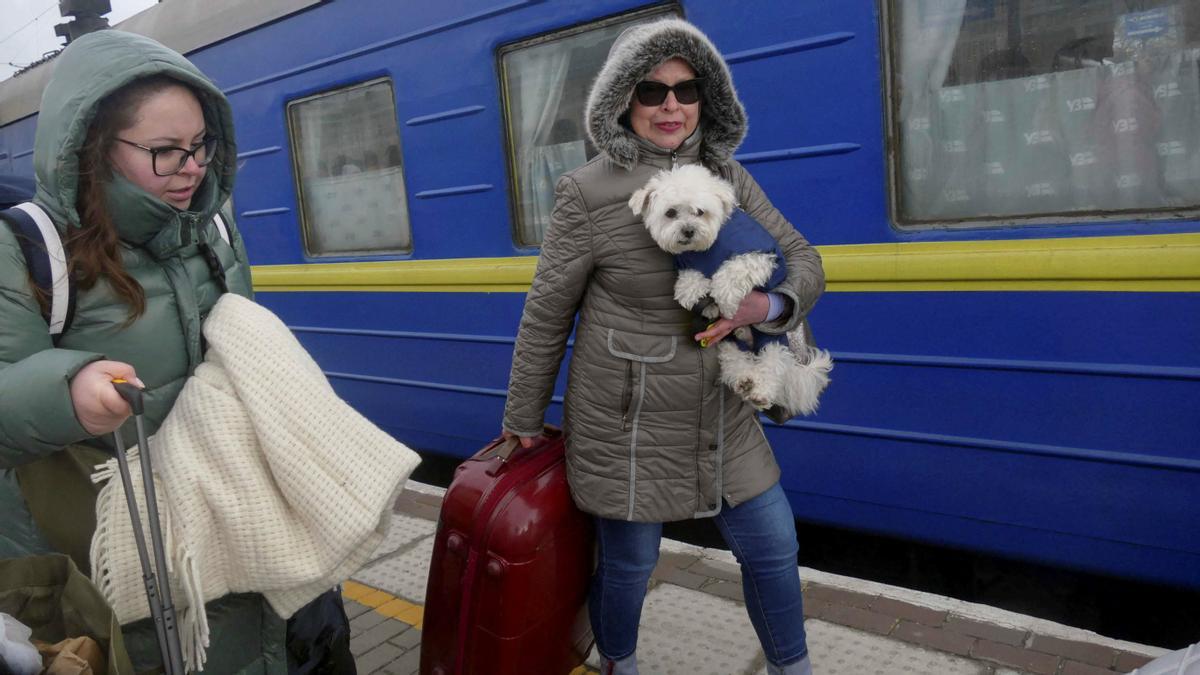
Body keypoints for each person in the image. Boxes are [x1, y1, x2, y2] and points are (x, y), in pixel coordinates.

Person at [0, 30, 344, 673]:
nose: (193, 169)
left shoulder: (211, 226)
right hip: (123, 577)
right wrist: (67, 390)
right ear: (94, 151)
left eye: (200, 146)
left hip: (256, 541)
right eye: (164, 152)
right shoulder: (23, 251)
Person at [502, 18, 823, 675]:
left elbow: (801, 257)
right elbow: (546, 314)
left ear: (707, 100)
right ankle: (619, 660)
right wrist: (521, 420)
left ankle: (794, 668)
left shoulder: (728, 177)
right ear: (625, 100)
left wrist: (769, 305)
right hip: (629, 424)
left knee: (772, 544)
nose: (670, 105)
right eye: (651, 90)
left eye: (686, 89)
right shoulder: (587, 193)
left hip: (721, 416)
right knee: (629, 564)